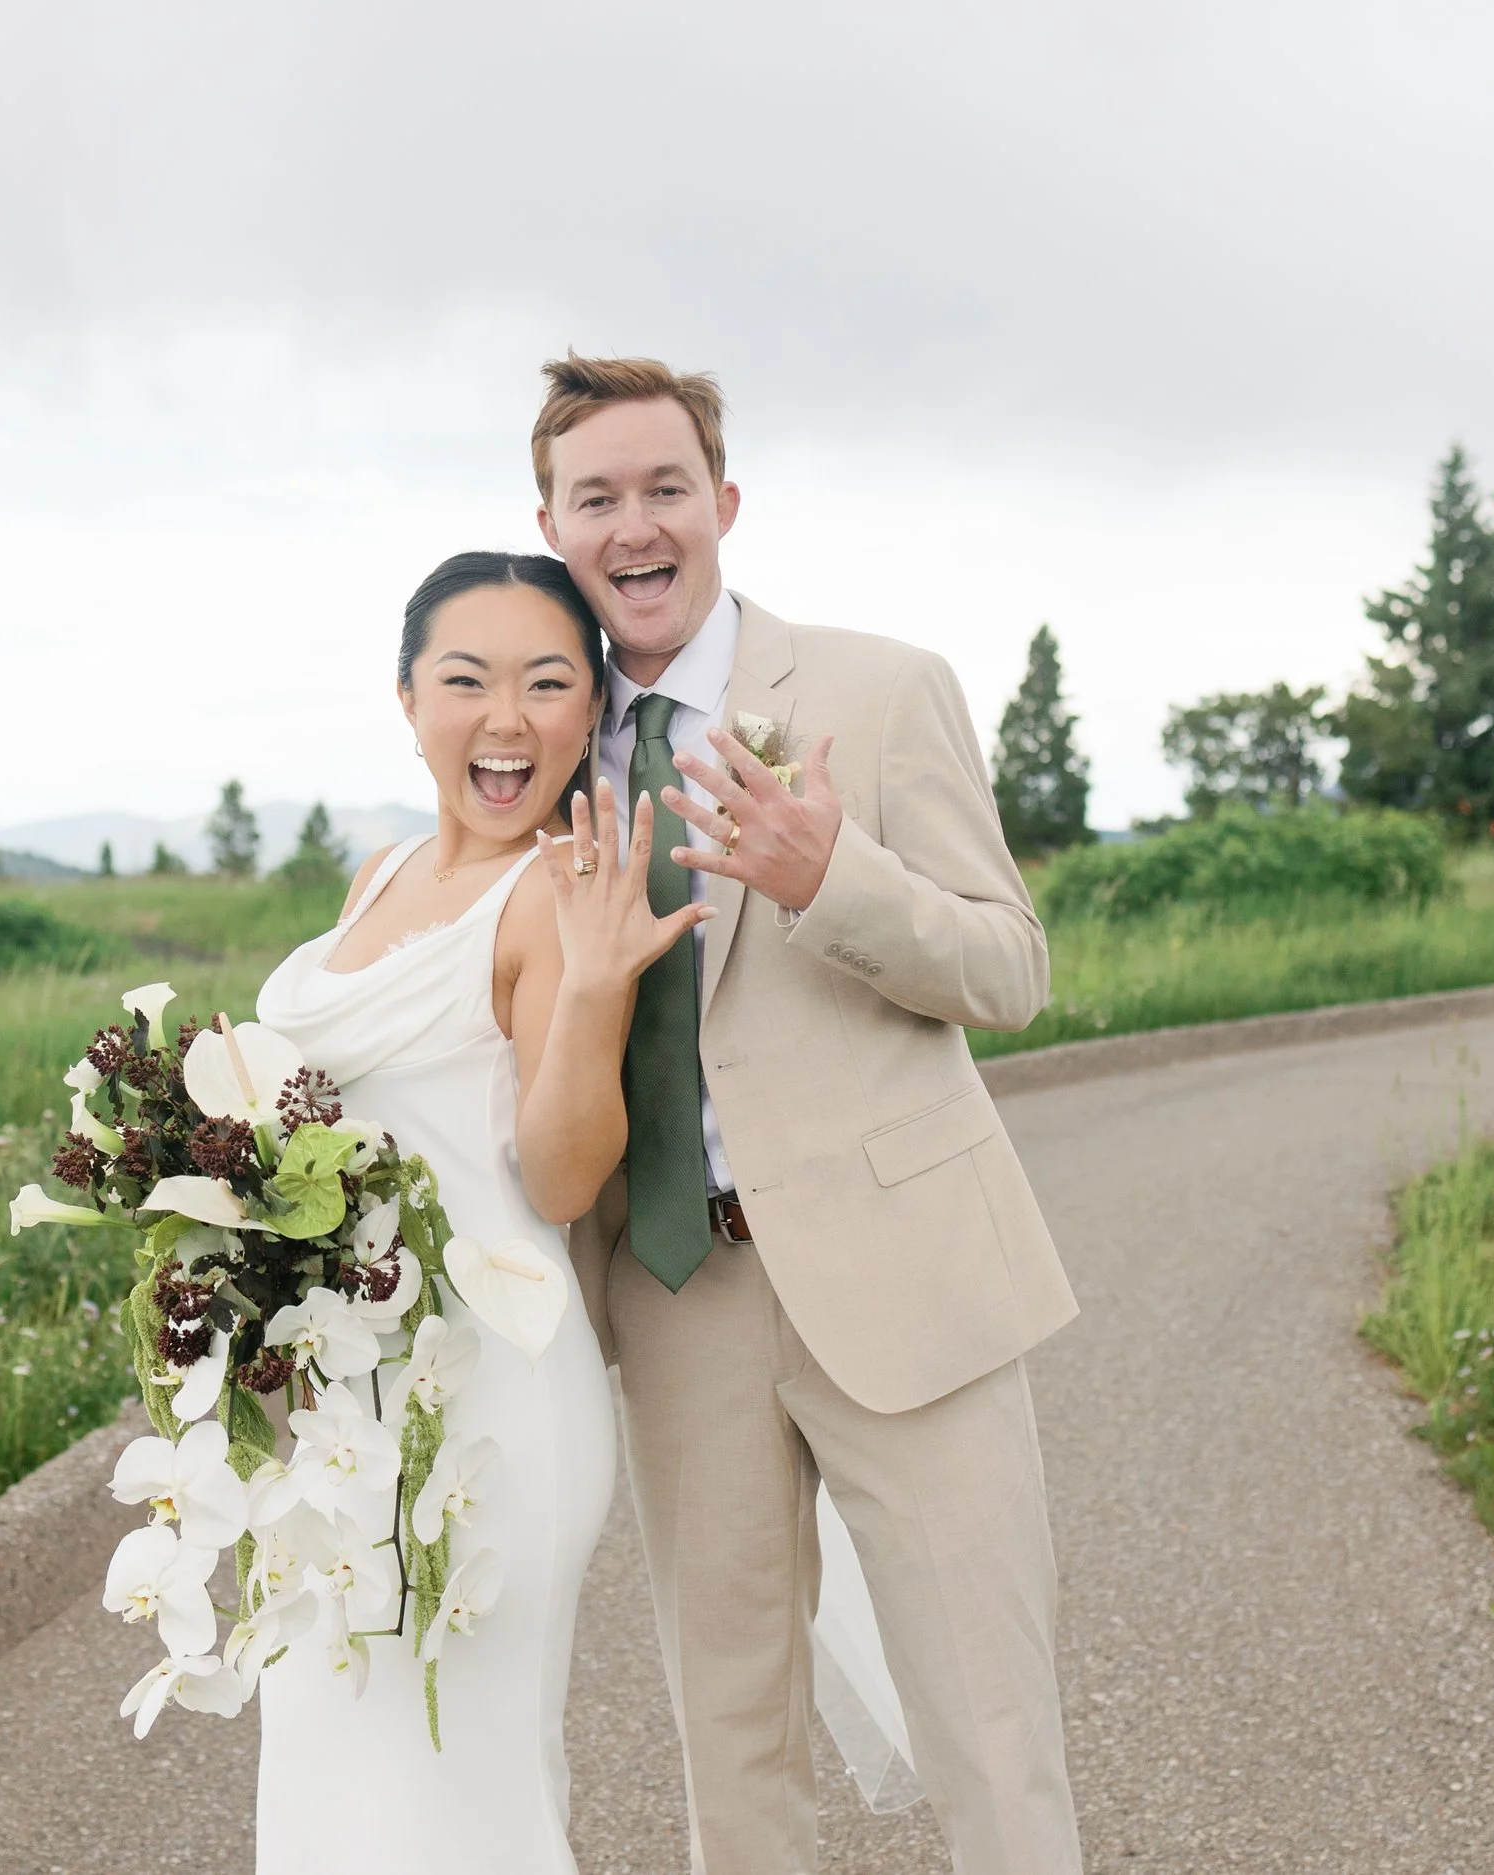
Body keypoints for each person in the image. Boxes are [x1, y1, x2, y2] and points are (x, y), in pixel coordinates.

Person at [537, 354, 1084, 1874]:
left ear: (723, 502)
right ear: (554, 521)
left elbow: (1010, 965)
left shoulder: (878, 687)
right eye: (599, 497)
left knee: (990, 1726)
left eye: (664, 488)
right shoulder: (550, 747)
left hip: (907, 1273)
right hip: (675, 1292)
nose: (636, 525)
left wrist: (828, 876)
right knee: (734, 1749)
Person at [247, 550, 703, 1871]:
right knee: (333, 1764)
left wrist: (597, 987)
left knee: (458, 1784)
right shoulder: (380, 873)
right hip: (352, 1395)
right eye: (467, 679)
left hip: (487, 1395)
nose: (506, 719)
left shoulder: (560, 895)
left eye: (548, 682)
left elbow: (560, 1181)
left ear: (589, 712)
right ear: (407, 697)